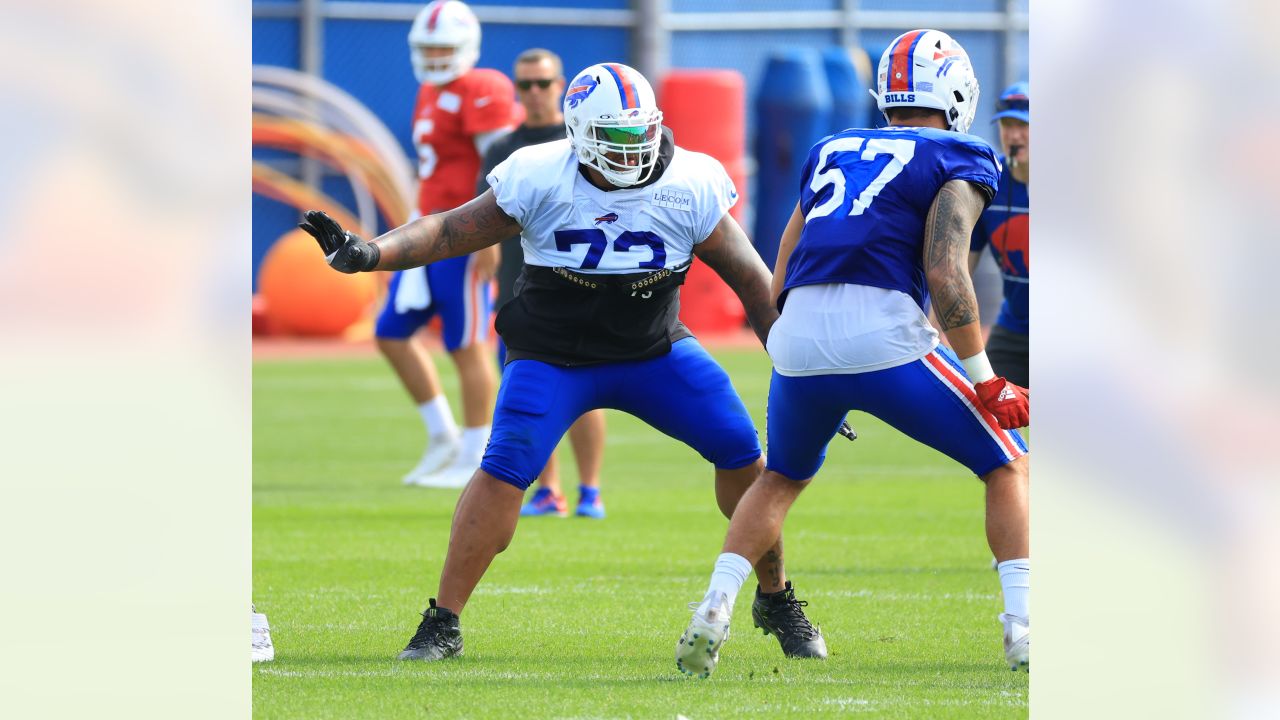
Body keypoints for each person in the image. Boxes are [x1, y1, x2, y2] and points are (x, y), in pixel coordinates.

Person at [300, 61, 827, 664]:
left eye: (642, 132)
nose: (635, 150)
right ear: (579, 135)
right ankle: (442, 621)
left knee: (743, 453)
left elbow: (755, 287)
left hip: (653, 350)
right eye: (617, 137)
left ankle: (775, 595)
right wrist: (370, 253)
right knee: (503, 469)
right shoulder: (539, 174)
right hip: (553, 357)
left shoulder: (692, 180)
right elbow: (447, 232)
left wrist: (801, 369)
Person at [675, 29, 1031, 679]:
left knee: (780, 476)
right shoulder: (961, 152)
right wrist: (986, 379)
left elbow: (786, 250)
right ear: (955, 91)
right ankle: (1026, 630)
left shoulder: (832, 147)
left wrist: (791, 351)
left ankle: (713, 608)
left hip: (799, 335)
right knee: (1007, 465)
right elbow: (948, 270)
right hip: (883, 332)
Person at [378, 0, 516, 488]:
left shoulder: (484, 87)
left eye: (444, 48)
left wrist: (490, 235)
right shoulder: (429, 91)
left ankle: (478, 453)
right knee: (391, 331)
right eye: (428, 48)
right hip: (427, 229)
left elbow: (503, 165)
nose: (435, 57)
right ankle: (443, 435)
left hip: (464, 231)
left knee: (466, 344)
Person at [475, 48, 608, 519]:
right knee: (527, 391)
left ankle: (589, 488)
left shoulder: (584, 139)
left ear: (562, 86)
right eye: (524, 85)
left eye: (543, 83)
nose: (533, 93)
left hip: (584, 287)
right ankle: (549, 489)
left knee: (589, 393)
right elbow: (483, 220)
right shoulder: (501, 148)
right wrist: (485, 257)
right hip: (522, 290)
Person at [970, 81, 1029, 388]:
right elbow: (961, 267)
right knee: (980, 407)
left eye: (1024, 125)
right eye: (1007, 125)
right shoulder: (990, 184)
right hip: (1014, 328)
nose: (1014, 135)